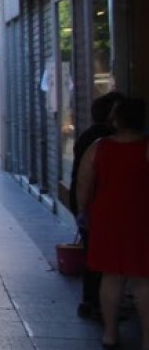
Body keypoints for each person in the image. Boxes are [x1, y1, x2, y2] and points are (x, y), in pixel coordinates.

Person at [76, 98, 149, 350]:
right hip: (142, 215)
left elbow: (84, 183)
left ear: (116, 119)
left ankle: (110, 334)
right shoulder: (146, 147)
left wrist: (82, 211)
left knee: (111, 275)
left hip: (107, 216)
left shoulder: (99, 147)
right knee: (142, 278)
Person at [70, 90, 125, 320]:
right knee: (102, 261)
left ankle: (92, 301)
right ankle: (96, 303)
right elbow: (87, 180)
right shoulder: (104, 140)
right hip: (98, 206)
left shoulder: (88, 136)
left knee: (95, 256)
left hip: (89, 205)